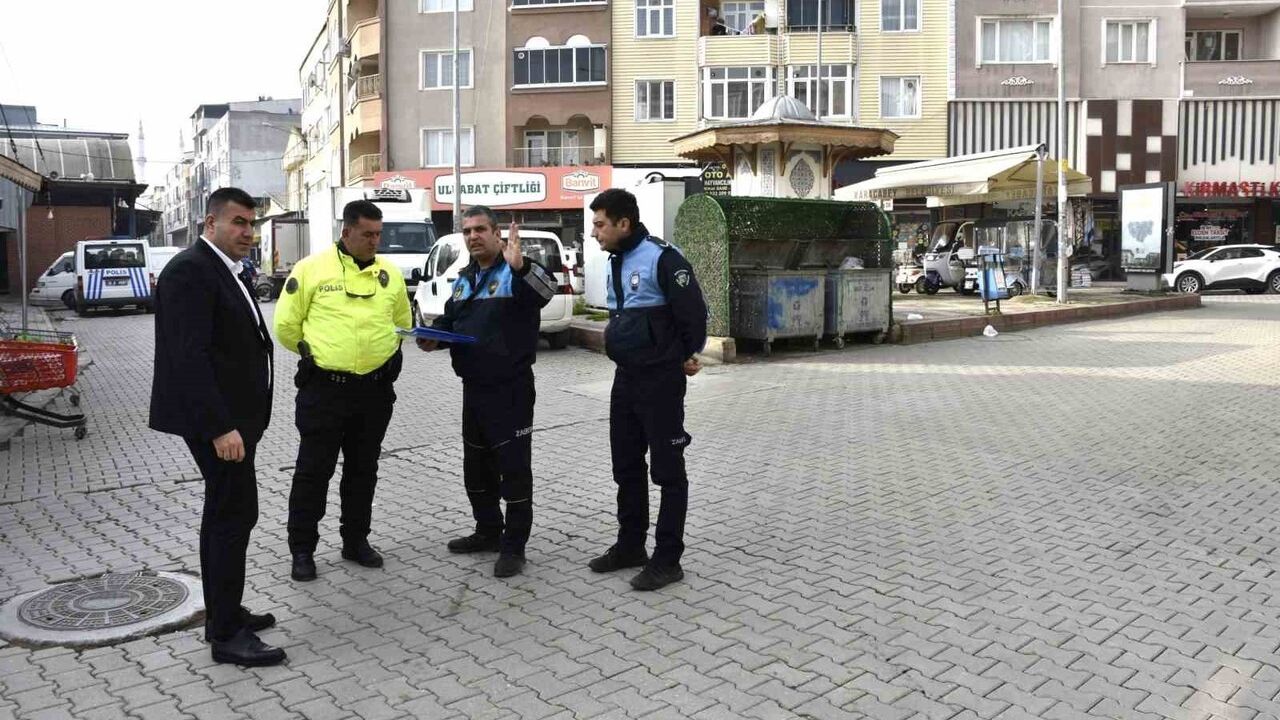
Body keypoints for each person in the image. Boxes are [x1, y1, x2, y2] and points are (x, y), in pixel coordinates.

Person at [149, 187, 285, 667]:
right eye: (239, 223)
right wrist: (220, 427)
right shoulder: (190, 271)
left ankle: (226, 610)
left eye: (252, 224)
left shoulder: (225, 268)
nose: (249, 233)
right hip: (220, 426)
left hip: (236, 422)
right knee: (231, 517)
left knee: (232, 514)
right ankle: (226, 635)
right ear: (211, 224)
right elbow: (188, 359)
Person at [275, 200, 412, 582]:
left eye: (378, 234)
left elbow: (402, 322)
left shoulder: (390, 273)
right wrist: (313, 355)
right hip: (325, 392)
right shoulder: (312, 269)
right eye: (368, 234)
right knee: (312, 473)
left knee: (363, 470)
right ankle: (302, 550)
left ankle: (356, 541)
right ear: (346, 231)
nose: (375, 242)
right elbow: (286, 326)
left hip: (373, 392)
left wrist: (389, 357)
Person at [418, 206, 556, 578]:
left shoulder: (515, 272)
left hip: (510, 390)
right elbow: (452, 320)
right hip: (473, 388)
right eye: (467, 231)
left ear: (497, 234)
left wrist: (521, 265)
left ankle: (514, 546)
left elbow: (547, 291)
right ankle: (487, 530)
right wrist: (434, 337)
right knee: (476, 467)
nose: (473, 236)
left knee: (512, 469)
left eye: (480, 229)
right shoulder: (464, 279)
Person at [587, 188, 707, 591]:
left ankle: (668, 559)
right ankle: (629, 546)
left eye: (600, 224)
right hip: (626, 379)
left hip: (660, 382)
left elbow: (693, 314)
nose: (594, 232)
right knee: (626, 465)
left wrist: (684, 355)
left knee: (668, 471)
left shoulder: (662, 258)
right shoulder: (614, 261)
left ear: (624, 223)